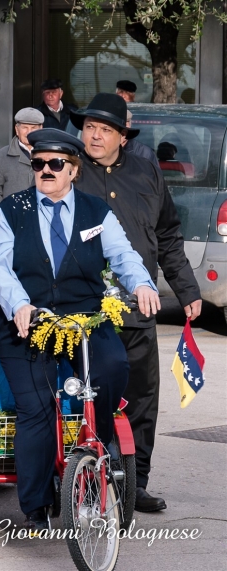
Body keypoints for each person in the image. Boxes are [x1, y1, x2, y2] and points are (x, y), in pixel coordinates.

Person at [0, 128, 161, 532]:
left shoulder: (96, 211)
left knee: (114, 367)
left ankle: (93, 456)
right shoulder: (12, 209)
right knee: (36, 408)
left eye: (55, 164)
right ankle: (36, 506)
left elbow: (122, 254)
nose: (45, 170)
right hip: (28, 321)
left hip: (85, 318)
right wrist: (19, 303)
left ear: (74, 170)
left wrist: (140, 284)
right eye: (38, 163)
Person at [70, 93, 202, 513]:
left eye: (105, 129)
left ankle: (134, 483)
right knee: (87, 396)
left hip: (138, 309)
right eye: (89, 126)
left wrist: (188, 290)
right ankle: (85, 479)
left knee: (143, 398)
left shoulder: (146, 171)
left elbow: (167, 234)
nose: (94, 135)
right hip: (86, 309)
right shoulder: (67, 169)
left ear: (123, 137)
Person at [0, 107, 44, 206]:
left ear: (41, 129)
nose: (29, 132)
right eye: (25, 127)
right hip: (11, 218)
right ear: (17, 129)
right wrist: (3, 216)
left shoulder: (51, 156)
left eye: (33, 128)